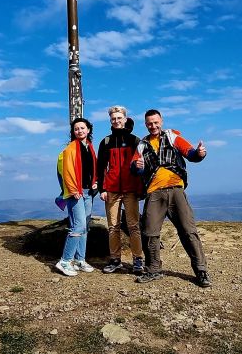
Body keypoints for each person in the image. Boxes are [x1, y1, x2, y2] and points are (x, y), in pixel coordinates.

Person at [131, 109, 211, 287]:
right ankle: (153, 270)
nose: (153, 126)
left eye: (156, 122)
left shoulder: (173, 137)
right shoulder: (142, 145)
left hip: (176, 190)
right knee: (149, 233)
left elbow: (190, 154)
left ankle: (201, 271)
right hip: (154, 192)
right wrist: (137, 166)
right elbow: (135, 168)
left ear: (161, 121)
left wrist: (200, 154)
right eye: (150, 123)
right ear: (146, 124)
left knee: (188, 231)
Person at [96, 106, 144, 274]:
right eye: (113, 119)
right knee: (113, 227)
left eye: (119, 118)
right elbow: (100, 167)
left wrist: (141, 189)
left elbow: (142, 165)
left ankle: (138, 259)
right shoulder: (106, 142)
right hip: (111, 189)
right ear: (111, 121)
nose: (116, 121)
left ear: (125, 119)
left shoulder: (135, 141)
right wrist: (102, 188)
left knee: (133, 226)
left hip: (131, 189)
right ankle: (115, 260)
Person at [55, 117, 98, 277]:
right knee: (78, 226)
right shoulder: (71, 149)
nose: (79, 131)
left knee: (84, 227)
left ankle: (80, 260)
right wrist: (73, 190)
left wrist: (95, 182)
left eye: (82, 128)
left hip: (88, 192)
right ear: (73, 132)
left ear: (88, 130)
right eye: (76, 129)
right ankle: (65, 261)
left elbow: (92, 169)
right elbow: (67, 172)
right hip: (76, 192)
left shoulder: (89, 147)